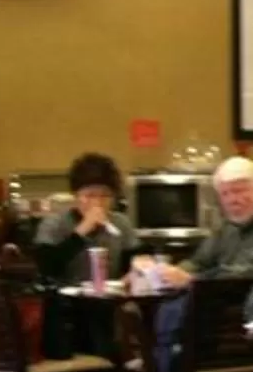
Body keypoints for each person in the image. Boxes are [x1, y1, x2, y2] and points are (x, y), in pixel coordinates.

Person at [35, 152, 177, 356]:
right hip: (65, 315)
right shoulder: (55, 224)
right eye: (90, 195)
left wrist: (139, 268)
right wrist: (82, 230)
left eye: (105, 195)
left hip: (108, 309)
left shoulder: (120, 223)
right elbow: (47, 266)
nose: (98, 203)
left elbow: (136, 260)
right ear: (76, 196)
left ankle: (136, 371)